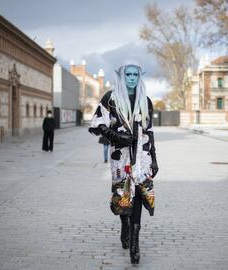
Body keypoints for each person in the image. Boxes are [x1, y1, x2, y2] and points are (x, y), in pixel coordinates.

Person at [89, 61, 159, 264]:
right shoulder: (110, 99)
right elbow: (97, 123)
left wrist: (154, 158)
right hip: (120, 157)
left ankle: (135, 243)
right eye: (127, 74)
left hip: (142, 156)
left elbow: (150, 131)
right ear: (122, 76)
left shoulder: (145, 101)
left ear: (139, 77)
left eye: (135, 75)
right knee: (123, 194)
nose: (131, 78)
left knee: (139, 195)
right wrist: (116, 136)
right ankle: (124, 224)